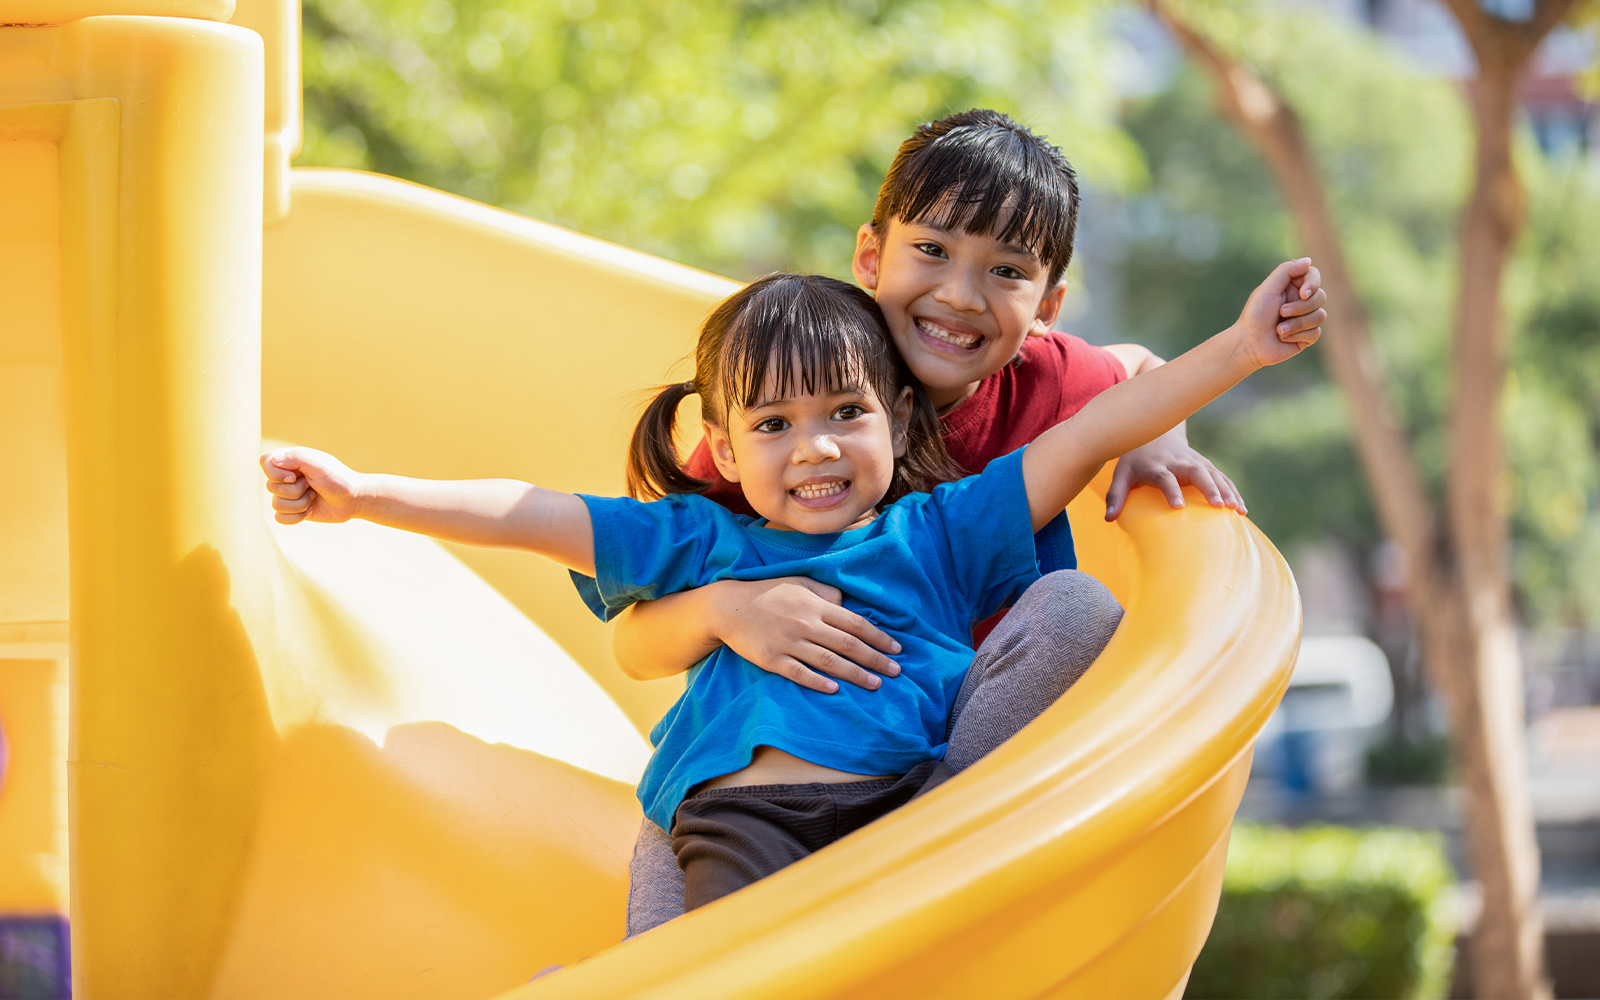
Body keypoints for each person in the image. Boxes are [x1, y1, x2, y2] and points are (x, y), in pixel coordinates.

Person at [261, 266, 1319, 915]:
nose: (812, 449)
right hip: (744, 825)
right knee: (720, 965)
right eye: (772, 425)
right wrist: (362, 495)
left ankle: (950, 836)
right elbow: (529, 511)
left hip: (906, 811)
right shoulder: (701, 541)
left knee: (1077, 611)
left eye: (841, 414)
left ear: (896, 423)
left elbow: (1096, 425)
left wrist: (1239, 349)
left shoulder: (941, 530)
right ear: (720, 443)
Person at [611, 110, 1326, 933]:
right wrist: (723, 609)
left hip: (939, 755)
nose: (959, 294)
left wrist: (1159, 434)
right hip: (770, 765)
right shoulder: (782, 404)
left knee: (1075, 607)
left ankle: (920, 847)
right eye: (932, 250)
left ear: (1047, 305)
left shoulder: (1044, 381)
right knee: (681, 814)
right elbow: (634, 643)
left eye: (1006, 271)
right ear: (871, 256)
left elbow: (1134, 369)